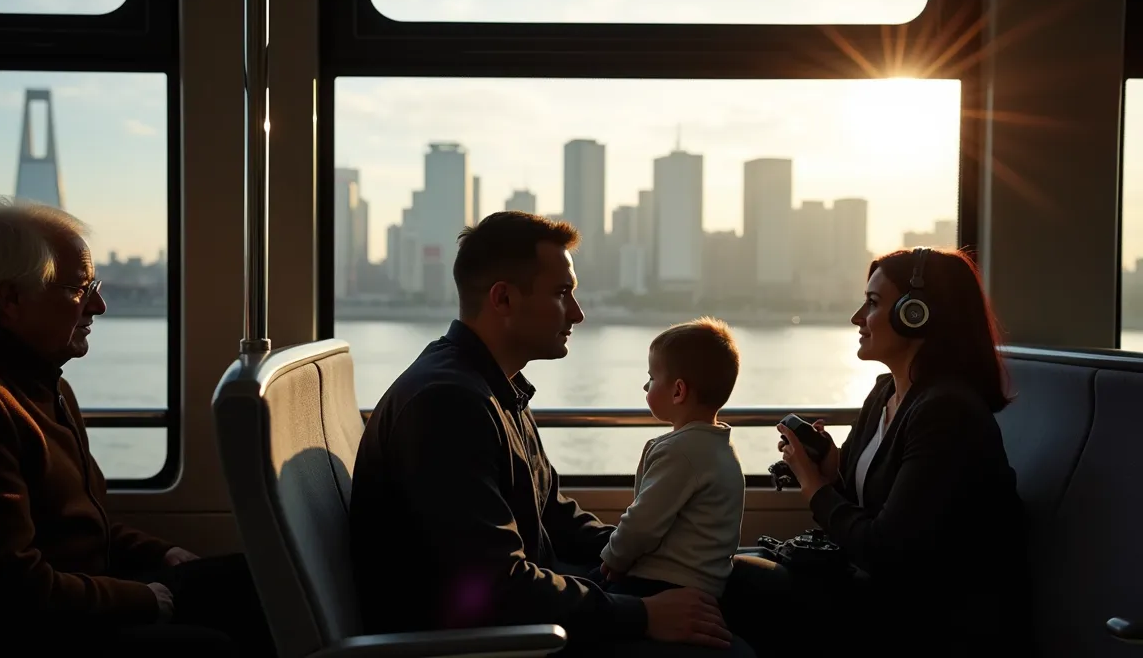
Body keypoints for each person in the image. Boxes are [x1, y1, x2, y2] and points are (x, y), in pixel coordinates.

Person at [0, 195, 272, 655]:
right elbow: (8, 590)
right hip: (10, 636)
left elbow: (71, 525)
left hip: (66, 601)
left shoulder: (32, 378)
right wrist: (141, 598)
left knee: (260, 582)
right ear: (9, 298)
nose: (99, 305)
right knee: (216, 643)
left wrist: (157, 555)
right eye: (78, 289)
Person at [348, 211, 754, 657]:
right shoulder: (446, 406)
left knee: (755, 588)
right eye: (562, 294)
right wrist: (644, 614)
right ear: (502, 299)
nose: (578, 313)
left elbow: (550, 513)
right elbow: (497, 588)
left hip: (527, 609)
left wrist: (639, 558)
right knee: (730, 650)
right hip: (488, 642)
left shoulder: (495, 388)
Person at [722, 247, 1033, 657]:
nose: (857, 318)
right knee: (713, 571)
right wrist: (831, 468)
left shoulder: (947, 413)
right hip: (875, 592)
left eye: (871, 303)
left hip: (925, 621)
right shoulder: (885, 393)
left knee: (720, 584)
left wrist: (816, 488)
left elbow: (885, 548)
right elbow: (866, 499)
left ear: (916, 313)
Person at [595, 318, 745, 605]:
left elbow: (643, 524)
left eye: (651, 378)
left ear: (678, 391)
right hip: (704, 582)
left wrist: (613, 558)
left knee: (584, 596)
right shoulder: (719, 447)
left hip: (661, 582)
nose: (645, 385)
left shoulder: (680, 453)